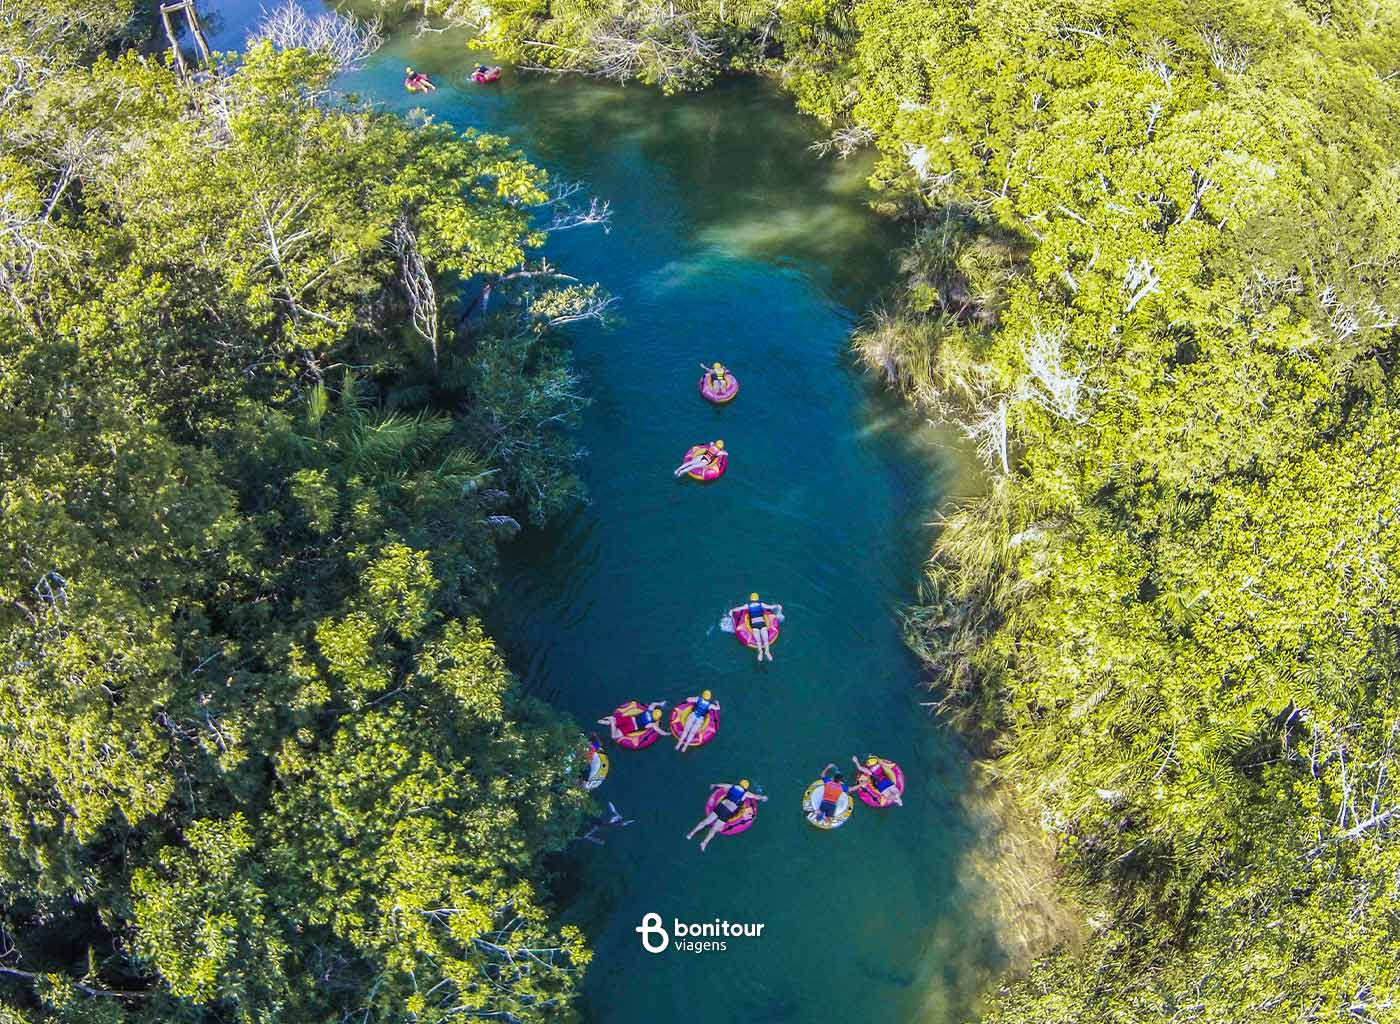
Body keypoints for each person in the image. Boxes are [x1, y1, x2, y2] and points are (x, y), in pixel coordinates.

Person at [686, 779, 767, 852]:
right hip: (727, 812)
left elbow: (722, 785)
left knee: (705, 821)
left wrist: (714, 785)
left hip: (721, 806)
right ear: (746, 787)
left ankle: (691, 834)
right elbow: (756, 797)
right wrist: (763, 797)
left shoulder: (732, 786)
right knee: (714, 829)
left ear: (739, 783)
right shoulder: (746, 793)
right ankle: (704, 843)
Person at [731, 592, 782, 662]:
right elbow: (771, 607)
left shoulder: (748, 605)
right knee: (766, 640)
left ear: (751, 599)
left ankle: (760, 653)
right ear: (757, 598)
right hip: (762, 623)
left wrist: (732, 610)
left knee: (758, 641)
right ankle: (767, 652)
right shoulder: (761, 604)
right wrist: (777, 605)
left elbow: (739, 609)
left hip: (754, 625)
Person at [599, 701, 666, 741]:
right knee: (614, 736)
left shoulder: (649, 710)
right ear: (657, 719)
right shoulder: (651, 724)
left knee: (609, 722)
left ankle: (603, 721)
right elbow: (658, 730)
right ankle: (612, 721)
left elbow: (653, 704)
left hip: (630, 719)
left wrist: (661, 703)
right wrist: (666, 733)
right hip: (632, 727)